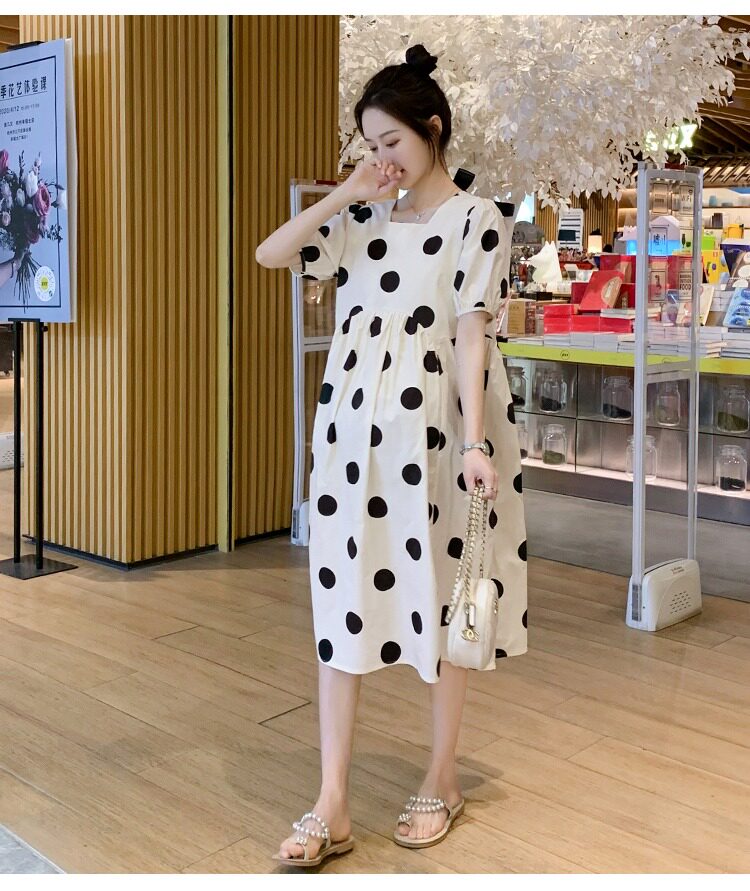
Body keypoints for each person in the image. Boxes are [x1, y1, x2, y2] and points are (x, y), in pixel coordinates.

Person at [256, 43, 528, 868]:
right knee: (340, 608)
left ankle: (443, 775)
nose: (382, 159)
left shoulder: (476, 220)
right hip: (350, 439)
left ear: (432, 129)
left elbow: (471, 332)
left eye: (393, 142)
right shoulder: (362, 221)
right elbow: (272, 253)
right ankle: (332, 799)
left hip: (436, 433)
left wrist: (476, 440)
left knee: (442, 600)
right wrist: (346, 193)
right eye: (370, 145)